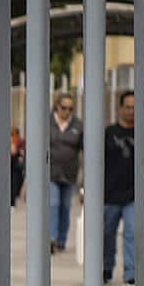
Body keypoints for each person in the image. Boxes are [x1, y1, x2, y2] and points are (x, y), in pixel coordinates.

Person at [103, 89, 144, 286]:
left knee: (132, 232)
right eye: (127, 107)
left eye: (135, 108)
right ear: (120, 108)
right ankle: (106, 268)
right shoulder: (108, 133)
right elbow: (95, 164)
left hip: (134, 195)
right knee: (106, 234)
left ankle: (131, 274)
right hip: (108, 195)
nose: (131, 111)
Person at [47, 90, 84, 254]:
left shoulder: (77, 125)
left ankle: (61, 239)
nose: (67, 112)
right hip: (51, 173)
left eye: (70, 109)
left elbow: (83, 150)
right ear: (56, 106)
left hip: (70, 173)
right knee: (53, 204)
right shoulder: (47, 122)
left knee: (65, 207)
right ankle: (52, 238)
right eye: (64, 108)